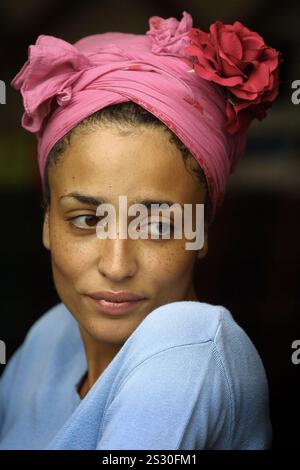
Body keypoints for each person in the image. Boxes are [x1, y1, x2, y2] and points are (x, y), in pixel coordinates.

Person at [0, 11, 280, 450]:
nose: (116, 266)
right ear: (46, 222)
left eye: (157, 226)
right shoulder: (49, 340)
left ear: (201, 232)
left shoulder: (188, 344)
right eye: (87, 220)